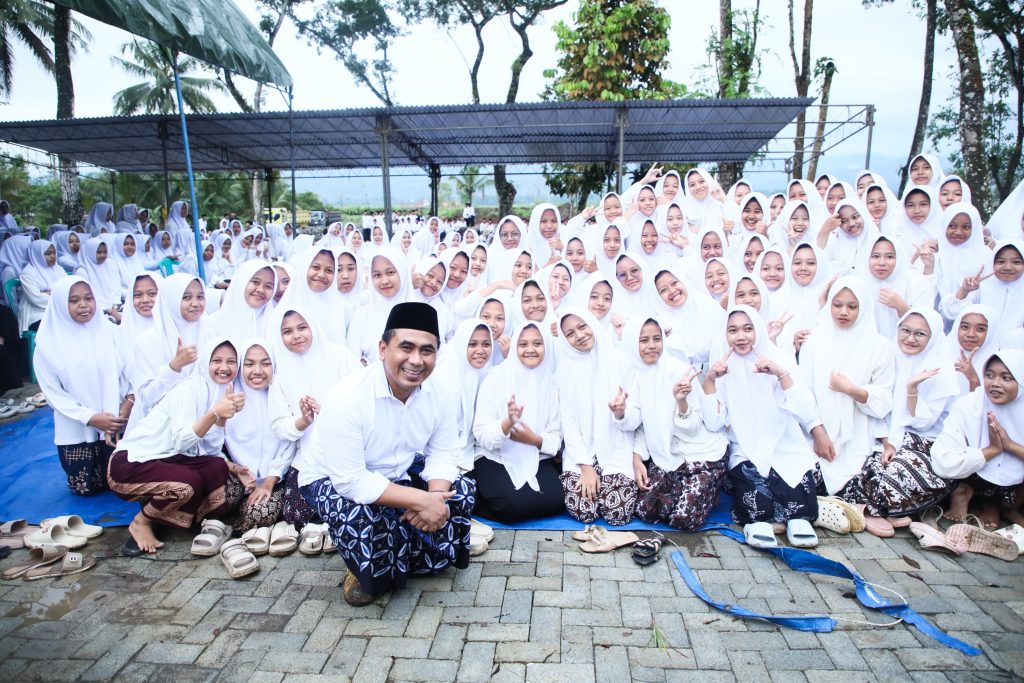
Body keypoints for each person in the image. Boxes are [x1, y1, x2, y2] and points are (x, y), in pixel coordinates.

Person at [295, 302, 475, 606]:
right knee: (363, 514)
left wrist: (435, 496)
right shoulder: (347, 397)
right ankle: (363, 564)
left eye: (427, 351)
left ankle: (402, 554)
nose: (416, 360)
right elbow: (351, 481)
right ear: (382, 349)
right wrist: (421, 501)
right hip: (333, 479)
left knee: (461, 491)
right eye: (406, 347)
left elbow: (443, 452)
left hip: (398, 470)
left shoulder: (442, 392)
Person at [108, 336, 248, 554]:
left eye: (231, 362)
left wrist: (222, 418)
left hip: (169, 459)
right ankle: (141, 522)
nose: (224, 367)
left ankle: (190, 518)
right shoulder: (188, 389)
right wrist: (214, 414)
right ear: (205, 362)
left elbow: (210, 450)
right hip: (131, 463)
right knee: (187, 484)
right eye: (216, 361)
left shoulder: (219, 391)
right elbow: (182, 441)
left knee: (217, 467)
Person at [702, 305, 822, 542]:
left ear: (758, 330)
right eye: (733, 331)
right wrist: (710, 381)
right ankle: (760, 523)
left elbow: (806, 410)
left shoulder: (778, 358)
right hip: (745, 448)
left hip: (784, 444)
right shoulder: (722, 366)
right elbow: (714, 423)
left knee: (798, 500)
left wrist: (780, 373)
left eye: (748, 329)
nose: (741, 336)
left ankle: (795, 520)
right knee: (757, 505)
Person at [626, 317, 729, 530]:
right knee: (646, 511)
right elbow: (644, 423)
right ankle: (688, 486)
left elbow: (693, 428)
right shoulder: (634, 374)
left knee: (683, 519)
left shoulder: (680, 371)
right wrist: (637, 458)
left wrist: (681, 402)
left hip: (700, 454)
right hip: (667, 456)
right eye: (643, 340)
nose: (652, 345)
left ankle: (709, 485)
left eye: (657, 339)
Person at [35, 277, 131, 495]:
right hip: (77, 428)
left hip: (116, 424)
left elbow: (128, 372)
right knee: (86, 488)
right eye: (74, 300)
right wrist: (90, 417)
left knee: (123, 483)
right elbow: (53, 393)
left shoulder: (111, 332)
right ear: (60, 304)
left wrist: (128, 402)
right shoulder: (48, 344)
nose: (83, 305)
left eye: (89, 298)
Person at [472, 323, 564, 523]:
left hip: (536, 454)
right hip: (495, 455)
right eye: (523, 344)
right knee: (513, 506)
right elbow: (481, 433)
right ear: (514, 346)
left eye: (537, 344)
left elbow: (555, 434)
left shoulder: (552, 382)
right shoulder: (495, 378)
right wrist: (507, 424)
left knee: (558, 500)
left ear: (547, 346)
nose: (530, 349)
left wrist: (534, 440)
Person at [556, 309, 640, 525]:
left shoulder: (621, 360)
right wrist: (585, 467)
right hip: (581, 452)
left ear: (592, 323)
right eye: (570, 334)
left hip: (617, 448)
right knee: (584, 511)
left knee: (618, 514)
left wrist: (621, 414)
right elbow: (568, 424)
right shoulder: (564, 370)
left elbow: (636, 417)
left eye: (582, 326)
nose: (579, 335)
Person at [932, 350, 1024, 530]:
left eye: (1006, 378)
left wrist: (1010, 446)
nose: (995, 383)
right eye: (989, 375)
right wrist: (992, 449)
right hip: (975, 478)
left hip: (1016, 485)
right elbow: (943, 460)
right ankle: (980, 500)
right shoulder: (969, 405)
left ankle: (1007, 508)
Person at [224, 339, 295, 533]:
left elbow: (290, 445)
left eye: (265, 363)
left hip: (275, 478)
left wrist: (268, 482)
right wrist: (236, 470)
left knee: (260, 514)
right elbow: (213, 446)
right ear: (240, 367)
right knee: (221, 497)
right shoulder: (229, 398)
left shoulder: (282, 396)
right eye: (249, 364)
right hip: (236, 476)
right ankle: (221, 521)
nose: (257, 371)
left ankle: (234, 526)